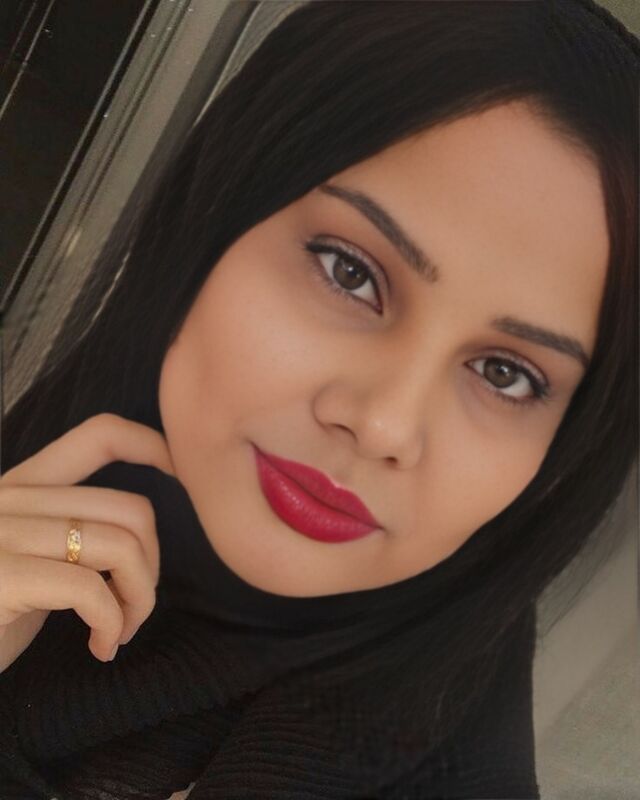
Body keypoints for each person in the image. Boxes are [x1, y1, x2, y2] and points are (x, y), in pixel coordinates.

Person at [0, 1, 637, 798]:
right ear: (210, 219)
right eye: (350, 272)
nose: (384, 424)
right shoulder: (42, 469)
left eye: (506, 374)